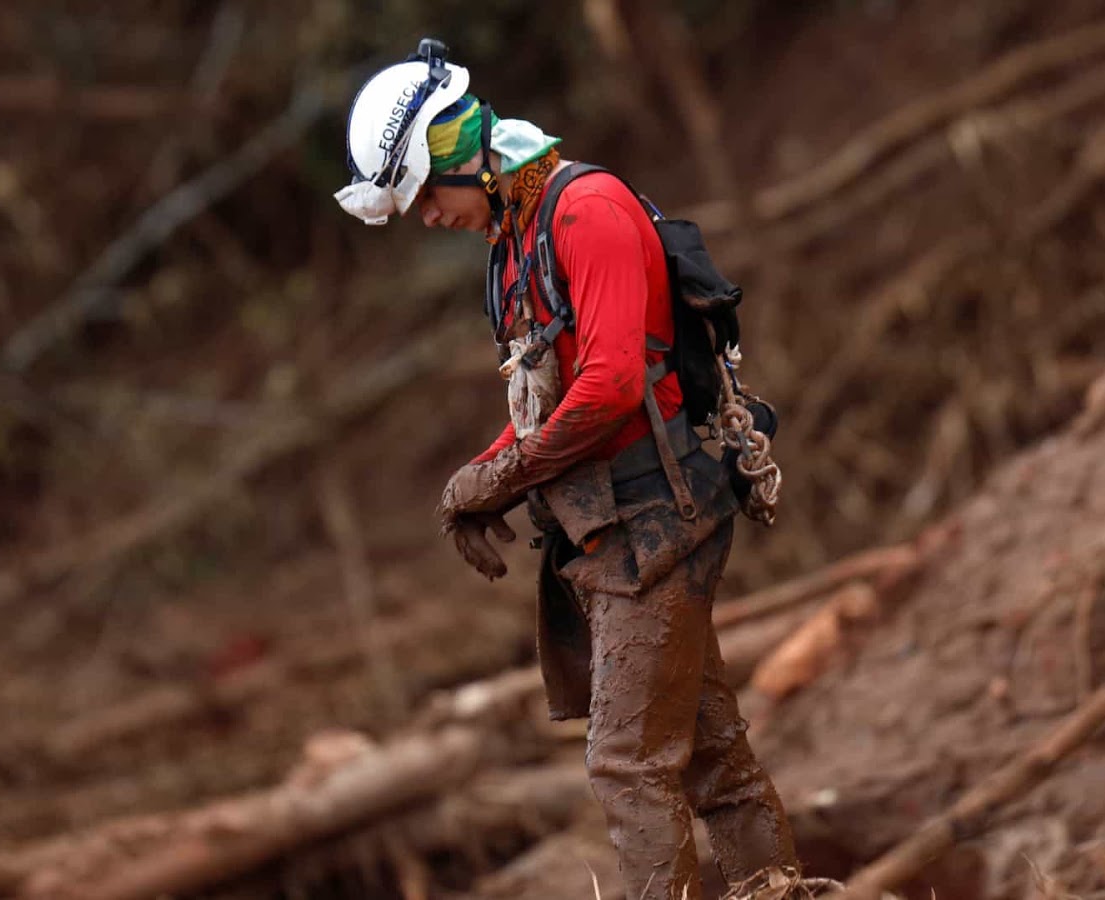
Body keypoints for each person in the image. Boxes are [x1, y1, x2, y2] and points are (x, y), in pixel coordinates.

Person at [335, 39, 799, 900]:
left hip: (663, 514)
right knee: (713, 759)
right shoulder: (513, 244)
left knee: (625, 764)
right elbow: (545, 405)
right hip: (615, 530)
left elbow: (613, 386)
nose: (428, 219)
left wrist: (500, 478)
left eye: (423, 199)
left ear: (455, 153)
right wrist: (468, 482)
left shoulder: (585, 212)